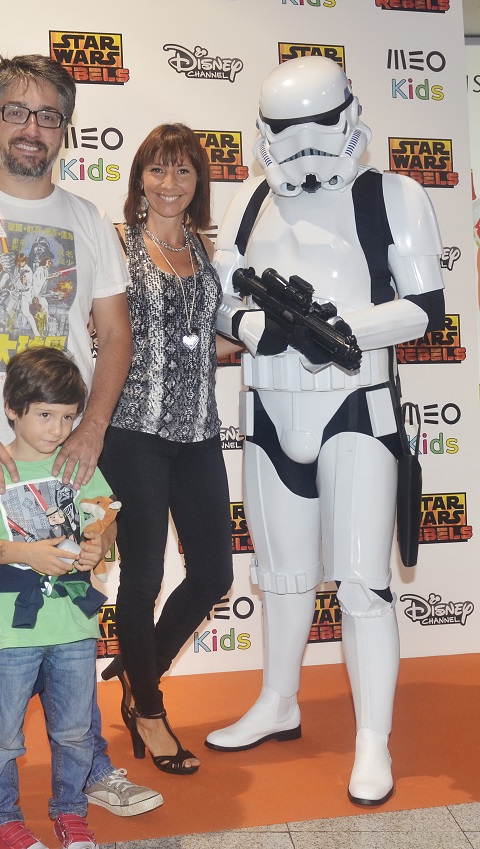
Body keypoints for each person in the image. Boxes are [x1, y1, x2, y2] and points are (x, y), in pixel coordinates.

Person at [0, 53, 160, 845]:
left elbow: (116, 336)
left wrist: (92, 428)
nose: (31, 128)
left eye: (48, 115)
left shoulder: (88, 220)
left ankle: (89, 770)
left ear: (64, 129)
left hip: (60, 463)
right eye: (16, 111)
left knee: (67, 613)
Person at [206, 56, 445, 806]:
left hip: (355, 406)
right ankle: (279, 700)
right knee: (281, 576)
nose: (305, 149)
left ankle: (372, 737)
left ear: (348, 118)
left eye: (319, 128)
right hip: (269, 407)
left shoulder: (394, 196)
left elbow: (425, 307)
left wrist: (341, 331)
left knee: (363, 585)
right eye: (288, 132)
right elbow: (220, 295)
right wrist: (253, 327)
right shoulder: (250, 199)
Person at [97, 124, 235, 776]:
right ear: (139, 179)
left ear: (198, 181)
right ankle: (148, 710)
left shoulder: (206, 249)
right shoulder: (116, 245)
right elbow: (100, 333)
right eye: (157, 170)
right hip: (134, 433)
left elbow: (202, 338)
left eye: (183, 171)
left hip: (200, 431)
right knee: (144, 577)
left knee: (213, 574)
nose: (170, 183)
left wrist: (265, 338)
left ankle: (138, 663)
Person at [0, 347, 118, 849]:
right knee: (2, 734)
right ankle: (0, 819)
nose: (58, 429)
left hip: (75, 625)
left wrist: (98, 546)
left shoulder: (78, 465)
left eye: (68, 417)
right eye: (45, 415)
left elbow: (106, 519)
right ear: (12, 408)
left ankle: (70, 812)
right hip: (12, 628)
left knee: (75, 731)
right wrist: (27, 553)